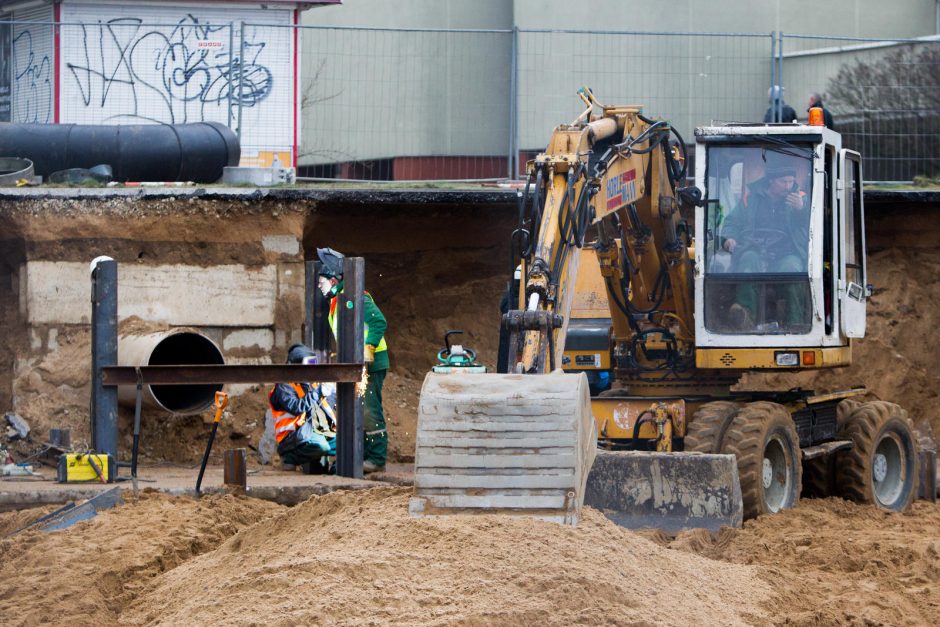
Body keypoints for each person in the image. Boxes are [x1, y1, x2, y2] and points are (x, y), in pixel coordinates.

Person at [316, 247, 389, 473]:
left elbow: (379, 322)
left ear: (334, 279)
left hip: (372, 362)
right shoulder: (338, 301)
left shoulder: (357, 297)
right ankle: (362, 454)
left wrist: (368, 348)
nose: (319, 286)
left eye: (322, 281)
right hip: (357, 364)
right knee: (356, 407)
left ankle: (376, 459)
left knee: (369, 409)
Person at [720, 165, 810, 330]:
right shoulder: (750, 199)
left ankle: (795, 322)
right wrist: (729, 238)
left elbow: (815, 223)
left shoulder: (800, 199)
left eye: (791, 181)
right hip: (754, 249)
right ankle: (745, 316)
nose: (788, 186)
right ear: (771, 181)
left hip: (787, 252)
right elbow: (733, 221)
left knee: (793, 269)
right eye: (783, 182)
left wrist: (802, 209)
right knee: (747, 260)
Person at [270, 343, 337, 472]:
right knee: (321, 446)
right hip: (291, 439)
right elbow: (297, 407)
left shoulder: (309, 384)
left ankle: (336, 470)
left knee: (347, 445)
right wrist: (319, 392)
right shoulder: (284, 386)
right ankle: (289, 458)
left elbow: (323, 406)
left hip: (313, 431)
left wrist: (332, 392)